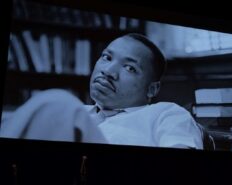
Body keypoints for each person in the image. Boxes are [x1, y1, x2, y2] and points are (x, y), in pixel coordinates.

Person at [0, 33, 203, 150]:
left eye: (129, 68)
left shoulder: (166, 114)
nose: (108, 72)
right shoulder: (80, 114)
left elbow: (183, 169)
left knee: (57, 102)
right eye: (106, 57)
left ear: (152, 89)